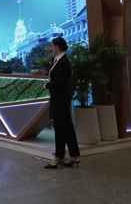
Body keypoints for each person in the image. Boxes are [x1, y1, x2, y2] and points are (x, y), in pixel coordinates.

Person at [43, 37, 80, 169]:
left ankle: (58, 157)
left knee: (60, 128)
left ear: (58, 47)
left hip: (61, 98)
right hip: (60, 98)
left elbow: (59, 82)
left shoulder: (63, 62)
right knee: (67, 127)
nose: (52, 48)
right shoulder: (57, 60)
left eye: (53, 46)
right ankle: (74, 155)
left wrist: (47, 85)